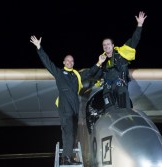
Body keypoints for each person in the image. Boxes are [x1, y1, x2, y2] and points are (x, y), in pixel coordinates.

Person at [30, 35, 106, 165]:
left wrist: (99, 62)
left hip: (75, 109)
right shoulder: (59, 74)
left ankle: (68, 157)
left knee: (72, 134)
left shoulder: (77, 75)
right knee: (69, 133)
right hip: (65, 109)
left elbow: (90, 72)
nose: (70, 62)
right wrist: (39, 47)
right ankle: (66, 158)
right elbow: (48, 62)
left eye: (72, 61)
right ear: (64, 62)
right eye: (68, 60)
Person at [96, 11, 147, 109]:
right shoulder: (101, 60)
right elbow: (95, 74)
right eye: (104, 45)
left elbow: (134, 40)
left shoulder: (121, 53)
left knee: (124, 109)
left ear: (113, 45)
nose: (106, 46)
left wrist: (139, 25)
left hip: (120, 87)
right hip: (108, 89)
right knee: (109, 112)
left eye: (108, 44)